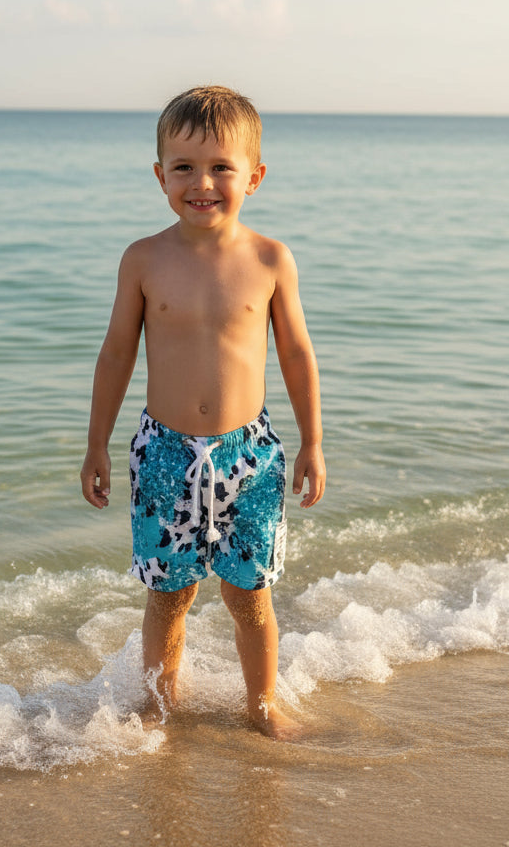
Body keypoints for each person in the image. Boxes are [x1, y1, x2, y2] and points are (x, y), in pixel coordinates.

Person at [80, 85, 325, 740]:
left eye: (221, 166)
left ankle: (263, 705)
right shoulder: (144, 259)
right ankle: (158, 702)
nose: (203, 182)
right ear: (160, 175)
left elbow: (297, 354)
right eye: (184, 167)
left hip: (251, 454)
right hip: (164, 454)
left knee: (250, 596)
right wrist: (96, 443)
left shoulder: (270, 260)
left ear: (255, 176)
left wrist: (313, 443)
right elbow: (114, 355)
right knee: (169, 595)